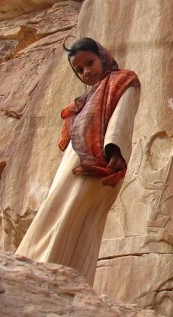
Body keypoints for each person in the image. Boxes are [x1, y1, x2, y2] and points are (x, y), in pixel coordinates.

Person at [15, 36, 140, 285]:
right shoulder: (90, 97)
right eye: (79, 70)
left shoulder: (123, 81)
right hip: (75, 161)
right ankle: (42, 271)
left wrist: (114, 151)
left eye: (90, 63)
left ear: (103, 56)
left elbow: (122, 117)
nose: (86, 72)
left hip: (101, 161)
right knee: (58, 210)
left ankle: (54, 275)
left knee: (79, 218)